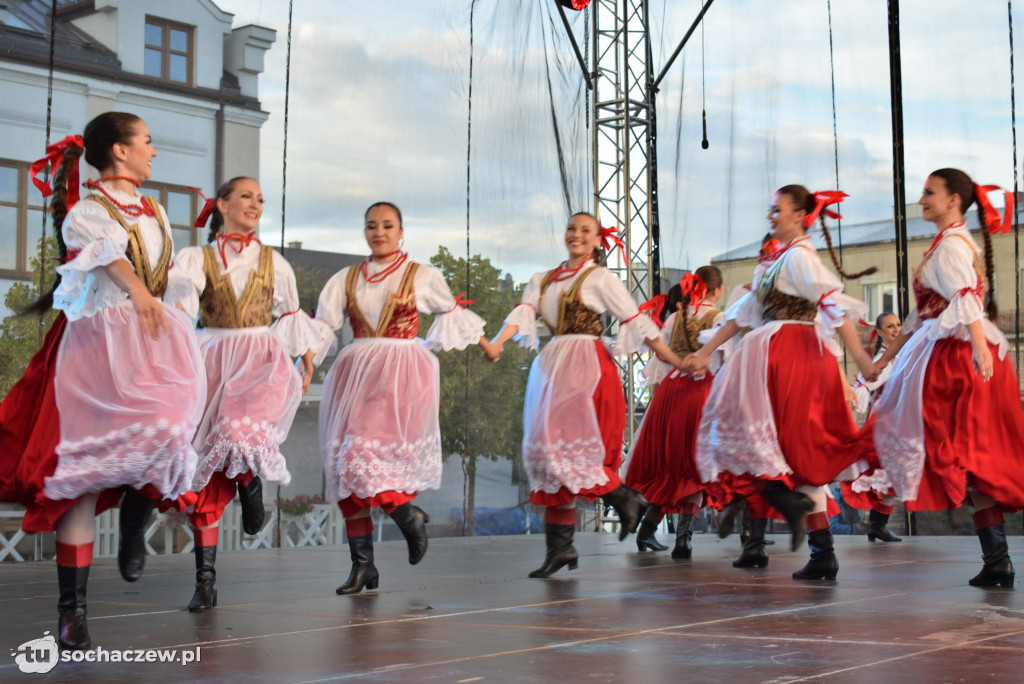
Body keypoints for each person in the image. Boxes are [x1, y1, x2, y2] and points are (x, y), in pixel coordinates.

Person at [0, 113, 205, 648]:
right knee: (82, 486)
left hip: (151, 344)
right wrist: (139, 293)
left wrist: (176, 313)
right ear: (119, 150)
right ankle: (73, 613)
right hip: (97, 350)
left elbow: (169, 278)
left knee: (165, 430)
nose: (153, 152)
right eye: (148, 142)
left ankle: (136, 519)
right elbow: (111, 260)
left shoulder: (155, 209)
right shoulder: (87, 212)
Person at [684, 185, 877, 582]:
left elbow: (832, 306)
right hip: (771, 354)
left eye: (777, 209)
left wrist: (860, 358)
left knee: (790, 448)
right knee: (770, 446)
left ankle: (784, 520)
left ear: (799, 215)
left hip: (795, 355)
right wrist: (706, 353)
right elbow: (742, 314)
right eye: (770, 209)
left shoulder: (802, 258)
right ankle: (816, 546)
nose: (771, 215)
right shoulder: (775, 261)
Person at [489, 211, 690, 578]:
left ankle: (624, 498)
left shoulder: (599, 278)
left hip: (586, 366)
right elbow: (523, 314)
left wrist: (675, 359)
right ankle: (562, 547)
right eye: (572, 228)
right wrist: (498, 343)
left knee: (570, 447)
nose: (576, 235)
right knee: (546, 453)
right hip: (551, 368)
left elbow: (638, 324)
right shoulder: (542, 279)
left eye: (585, 231)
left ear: (598, 241)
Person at [313, 201, 499, 595]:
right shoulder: (346, 278)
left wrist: (486, 344)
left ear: (401, 232)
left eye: (387, 225)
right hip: (356, 374)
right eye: (371, 226)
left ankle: (407, 514)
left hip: (399, 374)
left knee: (361, 456)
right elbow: (324, 328)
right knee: (347, 469)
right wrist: (304, 364)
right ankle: (363, 565)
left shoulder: (421, 275)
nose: (379, 232)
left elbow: (450, 313)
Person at [169, 177, 320, 611]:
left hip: (260, 358)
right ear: (222, 204)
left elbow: (290, 316)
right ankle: (205, 581)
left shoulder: (275, 263)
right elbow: (180, 306)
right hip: (211, 355)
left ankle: (250, 483)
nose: (254, 204)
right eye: (245, 196)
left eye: (259, 198)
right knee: (203, 475)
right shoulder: (196, 257)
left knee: (239, 433)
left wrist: (307, 360)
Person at [872, 168, 1024, 588]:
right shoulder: (945, 243)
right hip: (952, 351)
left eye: (929, 192)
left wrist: (978, 349)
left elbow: (966, 299)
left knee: (959, 453)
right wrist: (883, 359)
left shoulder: (953, 245)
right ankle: (997, 561)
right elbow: (916, 317)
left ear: (954, 199)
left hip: (959, 358)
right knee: (966, 461)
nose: (922, 198)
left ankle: (998, 559)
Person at [624, 267, 726, 559]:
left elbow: (660, 364)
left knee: (673, 469)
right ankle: (685, 539)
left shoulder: (672, 318)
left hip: (671, 394)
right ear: (716, 291)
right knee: (696, 468)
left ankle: (648, 531)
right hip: (702, 395)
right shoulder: (718, 319)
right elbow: (723, 362)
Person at [842, 312, 903, 543]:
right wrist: (860, 391)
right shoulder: (882, 359)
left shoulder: (899, 355)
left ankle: (877, 526)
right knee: (888, 471)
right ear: (879, 332)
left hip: (896, 417)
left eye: (898, 325)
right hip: (886, 419)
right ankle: (877, 526)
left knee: (893, 473)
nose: (896, 330)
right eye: (890, 326)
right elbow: (868, 380)